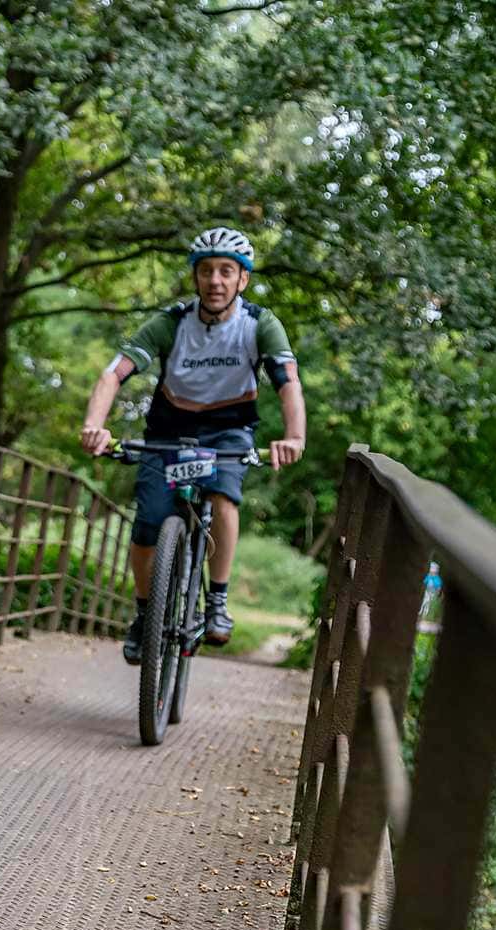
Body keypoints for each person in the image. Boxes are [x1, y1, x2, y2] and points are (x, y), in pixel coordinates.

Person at [78, 227, 306, 663]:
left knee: (224, 497)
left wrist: (294, 437)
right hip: (167, 434)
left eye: (226, 271)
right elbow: (113, 374)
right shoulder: (171, 322)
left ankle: (217, 600)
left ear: (243, 279)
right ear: (195, 277)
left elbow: (288, 383)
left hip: (228, 433)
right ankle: (144, 614)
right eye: (206, 271)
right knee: (147, 525)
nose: (215, 280)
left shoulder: (260, 324)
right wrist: (95, 427)